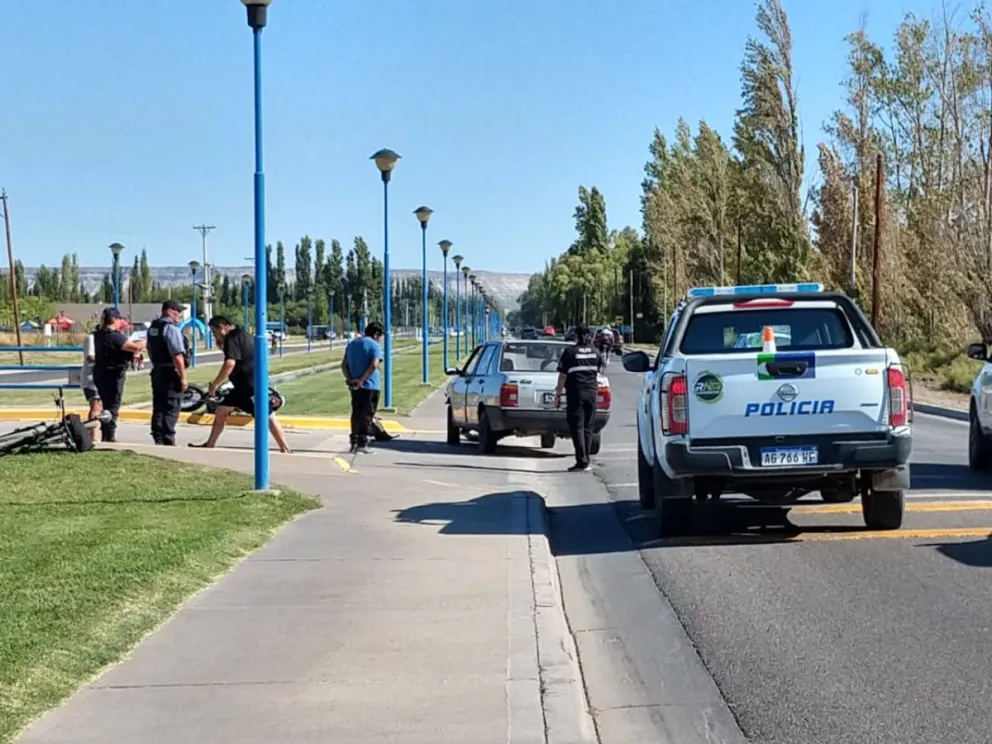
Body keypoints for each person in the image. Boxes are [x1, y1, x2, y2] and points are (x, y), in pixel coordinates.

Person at [189, 315, 292, 453]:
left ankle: (285, 449)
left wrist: (214, 385)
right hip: (241, 387)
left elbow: (230, 364)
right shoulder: (242, 335)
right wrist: (222, 347)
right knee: (221, 410)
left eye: (214, 332)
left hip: (251, 387)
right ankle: (210, 444)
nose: (214, 336)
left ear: (221, 328)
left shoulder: (231, 338)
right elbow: (242, 356)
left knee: (267, 416)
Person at [555, 325, 604, 472]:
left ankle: (581, 461)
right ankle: (586, 460)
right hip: (592, 393)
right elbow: (601, 370)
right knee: (588, 427)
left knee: (577, 427)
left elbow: (562, 376)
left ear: (576, 336)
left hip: (576, 393)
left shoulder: (570, 352)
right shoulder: (596, 352)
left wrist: (558, 395)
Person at [92, 307, 146, 443]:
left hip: (100, 373)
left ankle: (105, 433)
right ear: (114, 320)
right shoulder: (114, 336)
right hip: (113, 374)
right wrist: (147, 340)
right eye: (119, 319)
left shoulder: (98, 335)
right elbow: (136, 347)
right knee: (113, 406)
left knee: (106, 405)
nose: (120, 322)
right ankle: (109, 435)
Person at [147, 300, 190, 446]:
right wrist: (183, 377)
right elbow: (177, 355)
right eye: (178, 312)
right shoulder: (171, 329)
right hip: (170, 371)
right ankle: (168, 438)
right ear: (169, 311)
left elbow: (150, 349)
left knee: (159, 405)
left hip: (157, 370)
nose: (179, 315)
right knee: (172, 405)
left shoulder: (153, 327)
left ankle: (158, 436)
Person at [341, 321, 383, 454]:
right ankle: (362, 443)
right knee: (367, 414)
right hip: (370, 385)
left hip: (355, 386)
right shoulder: (374, 346)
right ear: (376, 334)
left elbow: (344, 365)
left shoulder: (352, 344)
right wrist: (362, 380)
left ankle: (354, 440)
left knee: (356, 413)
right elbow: (374, 365)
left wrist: (351, 379)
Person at [81, 325, 102, 441]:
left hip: (101, 377)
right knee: (95, 407)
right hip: (91, 378)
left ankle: (96, 435)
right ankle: (92, 436)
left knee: (100, 408)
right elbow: (90, 357)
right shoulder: (91, 338)